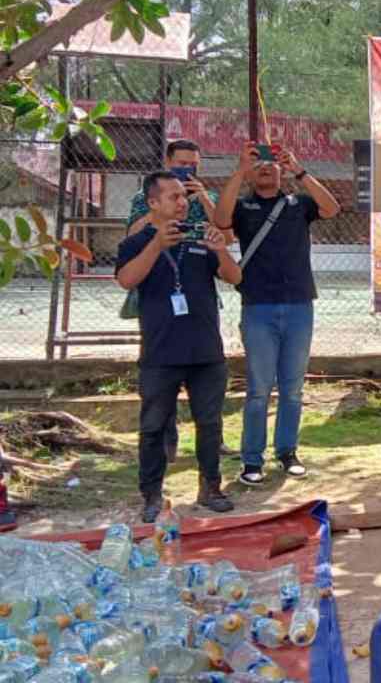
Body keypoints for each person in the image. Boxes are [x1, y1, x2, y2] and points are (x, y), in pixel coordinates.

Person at [116, 171, 242, 522]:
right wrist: (157, 245)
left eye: (183, 196)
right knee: (153, 426)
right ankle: (152, 494)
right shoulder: (136, 242)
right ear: (153, 203)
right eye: (173, 196)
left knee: (210, 423)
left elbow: (235, 278)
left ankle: (211, 487)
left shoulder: (202, 238)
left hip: (205, 352)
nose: (182, 202)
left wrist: (221, 250)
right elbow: (126, 279)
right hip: (160, 354)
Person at [214, 141, 341, 486]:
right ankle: (251, 459)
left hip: (300, 305)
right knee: (258, 389)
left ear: (283, 170)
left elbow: (331, 208)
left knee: (293, 388)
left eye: (272, 163)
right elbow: (220, 219)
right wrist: (240, 170)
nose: (266, 168)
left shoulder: (297, 203)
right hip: (258, 307)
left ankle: (287, 452)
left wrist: (301, 171)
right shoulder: (243, 207)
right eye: (258, 165)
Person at [125, 139, 228, 464]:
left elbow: (225, 232)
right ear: (168, 161)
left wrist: (203, 200)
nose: (187, 170)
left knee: (206, 366)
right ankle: (165, 445)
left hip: (196, 284)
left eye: (193, 165)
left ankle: (213, 447)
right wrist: (160, 219)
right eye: (181, 164)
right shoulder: (146, 197)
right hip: (158, 286)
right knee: (162, 367)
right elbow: (132, 233)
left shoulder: (203, 196)